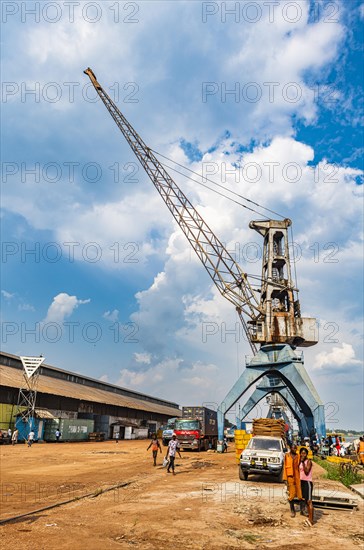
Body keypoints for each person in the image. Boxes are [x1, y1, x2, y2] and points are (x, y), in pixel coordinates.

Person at [283, 443, 302, 517]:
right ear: (290, 448)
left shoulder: (298, 456)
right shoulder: (287, 456)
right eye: (293, 448)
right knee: (291, 494)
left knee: (300, 493)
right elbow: (285, 467)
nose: (295, 449)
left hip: (297, 476)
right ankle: (292, 510)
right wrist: (285, 478)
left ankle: (302, 509)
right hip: (290, 476)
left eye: (295, 448)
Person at [299, 447, 314, 527]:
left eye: (304, 453)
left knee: (309, 501)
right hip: (302, 482)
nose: (303, 455)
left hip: (307, 482)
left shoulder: (308, 462)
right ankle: (309, 518)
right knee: (306, 501)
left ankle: (311, 520)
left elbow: (307, 472)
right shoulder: (301, 462)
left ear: (306, 454)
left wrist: (303, 462)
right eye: (302, 453)